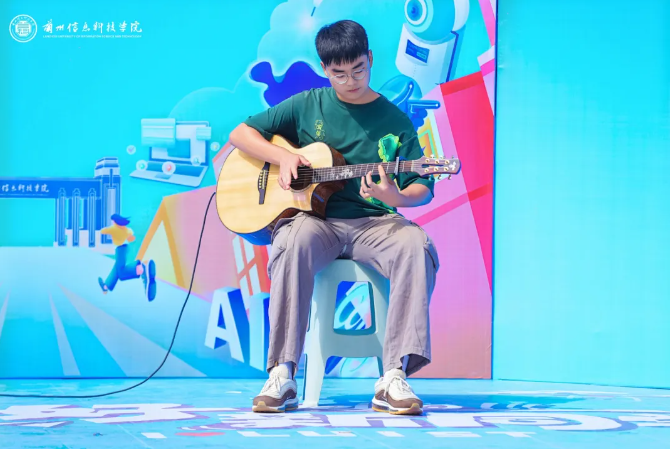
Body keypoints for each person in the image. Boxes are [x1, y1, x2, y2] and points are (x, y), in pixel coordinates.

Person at [229, 20, 439, 416]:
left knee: (416, 243)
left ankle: (393, 375)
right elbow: (240, 135)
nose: (350, 81)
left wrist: (393, 196)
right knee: (291, 241)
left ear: (370, 59)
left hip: (374, 223)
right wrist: (284, 157)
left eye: (359, 69)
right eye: (339, 73)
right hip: (314, 220)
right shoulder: (307, 104)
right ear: (325, 68)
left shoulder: (395, 120)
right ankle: (282, 373)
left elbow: (422, 188)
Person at [98, 214, 157, 301]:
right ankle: (106, 286)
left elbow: (102, 231)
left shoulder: (113, 228)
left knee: (121, 274)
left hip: (119, 249)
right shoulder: (126, 229)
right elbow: (131, 237)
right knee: (117, 268)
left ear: (114, 221)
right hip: (125, 248)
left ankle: (141, 268)